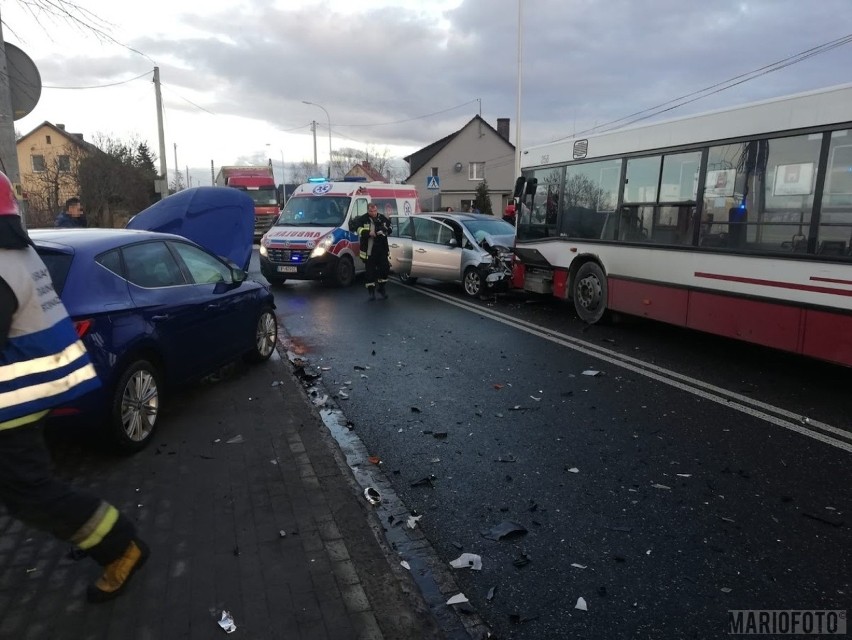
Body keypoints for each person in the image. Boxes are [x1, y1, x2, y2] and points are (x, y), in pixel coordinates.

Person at [0, 171, 148, 603]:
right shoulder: (17, 253)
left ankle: (118, 545)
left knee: (29, 492)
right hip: (30, 391)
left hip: (15, 401)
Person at [351, 202, 392, 300]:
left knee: (385, 269)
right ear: (368, 210)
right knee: (370, 273)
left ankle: (381, 288)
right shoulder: (363, 219)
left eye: (375, 211)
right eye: (371, 211)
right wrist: (369, 233)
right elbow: (357, 229)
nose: (373, 213)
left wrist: (385, 230)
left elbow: (390, 227)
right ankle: (371, 292)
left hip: (381, 249)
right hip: (369, 250)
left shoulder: (382, 218)